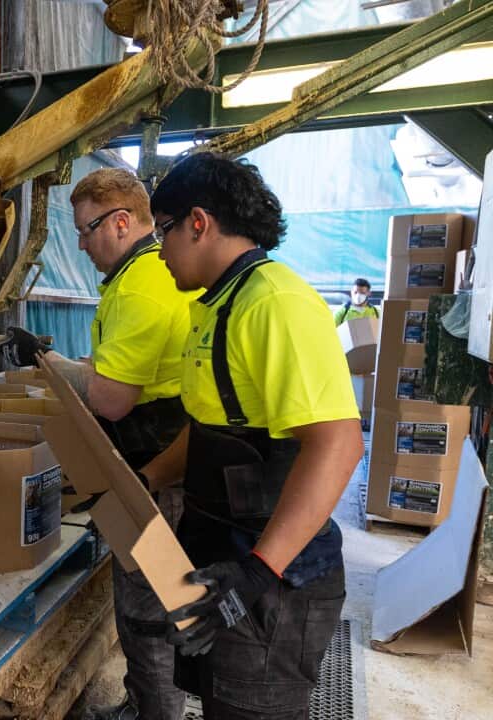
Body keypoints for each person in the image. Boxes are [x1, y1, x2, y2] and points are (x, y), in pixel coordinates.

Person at [140, 152, 363, 720]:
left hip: (274, 585)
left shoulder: (273, 303)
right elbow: (216, 428)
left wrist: (257, 574)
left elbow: (336, 443)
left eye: (160, 231)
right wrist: (143, 480)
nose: (158, 250)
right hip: (223, 560)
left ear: (197, 222)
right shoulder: (216, 305)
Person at [7, 167, 194, 720]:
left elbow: (111, 399)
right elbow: (115, 370)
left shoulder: (142, 284)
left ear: (120, 222)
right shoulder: (139, 278)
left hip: (155, 470)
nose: (82, 244)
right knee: (156, 597)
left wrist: (46, 359)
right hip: (155, 459)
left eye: (85, 230)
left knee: (148, 605)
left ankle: (154, 712)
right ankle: (149, 703)